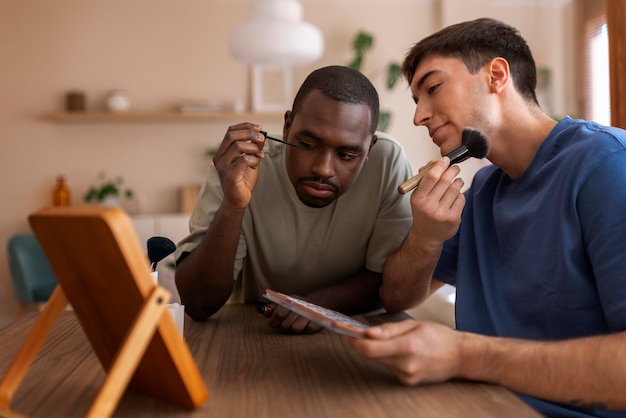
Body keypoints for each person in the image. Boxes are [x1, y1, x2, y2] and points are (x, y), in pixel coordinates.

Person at [346, 18, 626, 417]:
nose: (419, 117)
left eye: (433, 88)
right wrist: (425, 236)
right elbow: (397, 296)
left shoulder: (608, 167)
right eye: (416, 101)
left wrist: (464, 355)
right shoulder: (483, 192)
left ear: (496, 75)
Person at [175, 65, 413, 334]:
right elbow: (197, 303)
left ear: (370, 148)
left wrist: (319, 305)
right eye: (308, 145)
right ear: (287, 126)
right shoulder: (241, 165)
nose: (323, 169)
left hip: (359, 332)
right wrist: (234, 205)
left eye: (346, 155)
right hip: (254, 332)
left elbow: (389, 281)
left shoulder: (388, 162)